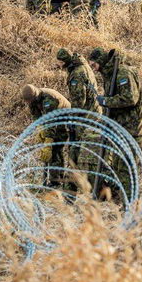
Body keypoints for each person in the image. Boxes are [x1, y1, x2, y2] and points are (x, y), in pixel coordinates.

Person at [88, 46, 142, 202]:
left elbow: (130, 98)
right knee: (119, 166)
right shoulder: (110, 74)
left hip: (131, 127)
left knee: (126, 168)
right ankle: (123, 200)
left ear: (100, 61)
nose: (93, 68)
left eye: (93, 65)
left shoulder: (122, 73)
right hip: (120, 127)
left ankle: (131, 203)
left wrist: (105, 101)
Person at [57, 47, 103, 194]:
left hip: (86, 118)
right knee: (88, 153)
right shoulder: (82, 67)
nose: (58, 65)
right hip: (92, 115)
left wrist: (72, 121)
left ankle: (72, 192)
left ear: (64, 62)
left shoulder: (76, 74)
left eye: (59, 62)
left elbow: (78, 102)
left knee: (76, 153)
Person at [19, 84, 81, 194]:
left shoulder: (49, 100)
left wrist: (48, 141)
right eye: (26, 101)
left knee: (55, 149)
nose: (27, 103)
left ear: (35, 96)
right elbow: (36, 117)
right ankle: (53, 179)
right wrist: (39, 130)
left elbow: (51, 123)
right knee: (51, 149)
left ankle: (56, 182)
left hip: (65, 118)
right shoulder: (31, 100)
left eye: (29, 101)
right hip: (52, 120)